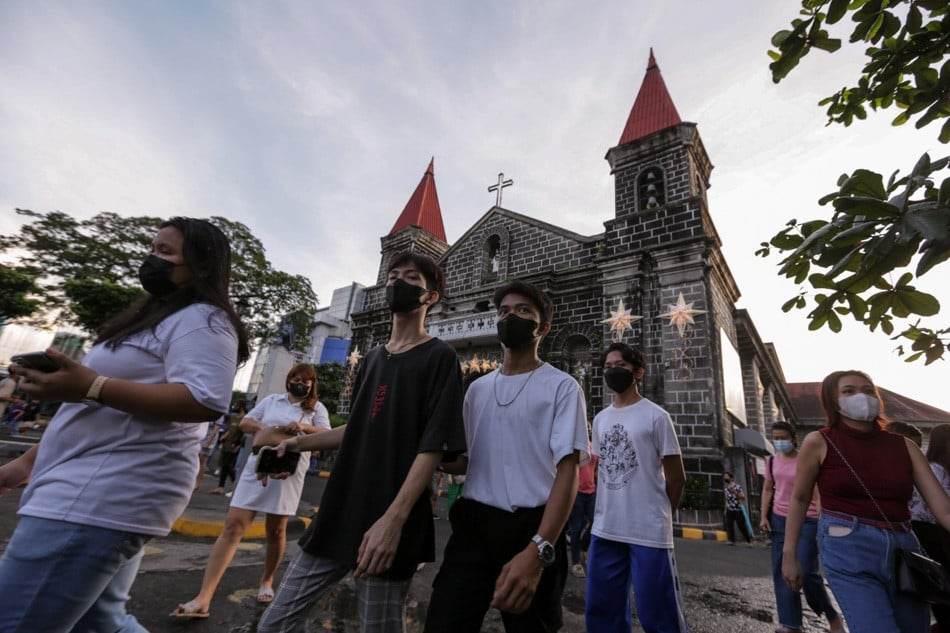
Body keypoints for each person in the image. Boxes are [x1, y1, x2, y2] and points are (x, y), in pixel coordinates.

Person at [0, 217, 247, 633]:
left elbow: (204, 399)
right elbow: (96, 411)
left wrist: (92, 385)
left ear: (200, 264)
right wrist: (25, 464)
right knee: (100, 623)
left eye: (165, 252)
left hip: (104, 494)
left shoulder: (204, 319)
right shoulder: (157, 317)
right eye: (152, 248)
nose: (152, 258)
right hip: (88, 487)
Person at [256, 252, 466, 633]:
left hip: (389, 522)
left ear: (431, 296)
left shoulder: (440, 357)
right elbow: (359, 427)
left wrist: (392, 521)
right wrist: (294, 445)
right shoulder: (371, 358)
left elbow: (433, 445)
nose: (398, 282)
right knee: (275, 623)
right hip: (339, 513)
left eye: (411, 277)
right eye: (393, 275)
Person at [424, 280, 589, 633]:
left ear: (543, 328)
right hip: (473, 527)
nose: (510, 317)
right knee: (444, 621)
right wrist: (427, 452)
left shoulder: (562, 387)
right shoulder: (477, 390)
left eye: (523, 311)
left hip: (532, 526)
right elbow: (465, 461)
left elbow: (568, 473)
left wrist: (538, 550)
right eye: (504, 311)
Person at [782, 370, 950, 633]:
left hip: (903, 547)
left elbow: (943, 510)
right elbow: (800, 498)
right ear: (833, 401)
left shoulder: (905, 446)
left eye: (868, 390)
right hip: (848, 545)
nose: (861, 396)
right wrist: (789, 555)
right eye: (848, 391)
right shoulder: (819, 442)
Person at [173, 363, 331, 617]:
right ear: (288, 380)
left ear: (312, 384)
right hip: (257, 467)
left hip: (288, 473)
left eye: (306, 380)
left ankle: (267, 579)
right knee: (233, 526)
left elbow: (326, 433)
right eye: (296, 378)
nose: (300, 383)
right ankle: (204, 597)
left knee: (276, 530)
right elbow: (246, 422)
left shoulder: (316, 408)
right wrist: (265, 429)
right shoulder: (271, 401)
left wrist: (303, 427)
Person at [584, 342, 688, 633]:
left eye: (620, 366)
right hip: (606, 528)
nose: (612, 371)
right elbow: (601, 467)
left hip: (648, 532)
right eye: (608, 367)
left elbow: (676, 476)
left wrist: (661, 515)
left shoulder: (656, 416)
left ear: (638, 372)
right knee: (602, 611)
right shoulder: (601, 419)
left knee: (659, 613)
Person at [758, 421, 844, 633]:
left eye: (783, 438)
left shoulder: (805, 459)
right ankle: (790, 623)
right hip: (779, 519)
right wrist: (763, 516)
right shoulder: (771, 461)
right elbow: (768, 489)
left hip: (807, 519)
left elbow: (816, 491)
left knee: (805, 571)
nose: (779, 442)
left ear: (793, 438)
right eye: (776, 438)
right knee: (782, 571)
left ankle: (832, 616)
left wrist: (822, 516)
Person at [910, 423, 950, 631]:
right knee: (939, 579)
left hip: (940, 529)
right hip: (927, 529)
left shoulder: (944, 468)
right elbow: (938, 504)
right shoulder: (934, 468)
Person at [567, 442, 596, 578]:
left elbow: (597, 468)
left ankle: (584, 548)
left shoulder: (594, 446)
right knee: (576, 527)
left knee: (595, 523)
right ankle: (576, 563)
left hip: (591, 492)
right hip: (577, 492)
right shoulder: (575, 445)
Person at [211, 411, 245, 495]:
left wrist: (237, 445)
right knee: (224, 465)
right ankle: (220, 487)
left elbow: (243, 434)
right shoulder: (232, 417)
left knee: (228, 465)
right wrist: (223, 437)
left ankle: (237, 486)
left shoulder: (244, 419)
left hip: (234, 446)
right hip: (227, 444)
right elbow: (229, 430)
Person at [723, 472, 751, 544]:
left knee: (741, 526)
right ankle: (731, 540)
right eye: (724, 477)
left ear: (731, 478)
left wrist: (735, 492)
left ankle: (748, 540)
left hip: (738, 509)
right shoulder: (726, 489)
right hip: (730, 509)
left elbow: (743, 498)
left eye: (726, 477)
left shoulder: (737, 487)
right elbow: (726, 500)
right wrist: (725, 509)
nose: (725, 478)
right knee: (729, 525)